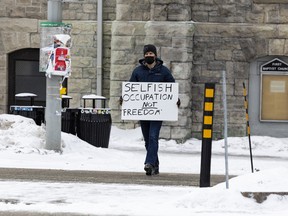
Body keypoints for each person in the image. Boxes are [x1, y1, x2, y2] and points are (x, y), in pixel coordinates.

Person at [125, 44, 180, 176]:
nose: (149, 55)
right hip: (143, 111)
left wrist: (175, 99)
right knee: (147, 140)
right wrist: (124, 98)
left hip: (157, 111)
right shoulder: (137, 71)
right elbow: (131, 87)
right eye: (147, 54)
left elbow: (171, 87)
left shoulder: (164, 71)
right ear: (144, 55)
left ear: (155, 55)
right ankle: (155, 165)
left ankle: (148, 163)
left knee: (153, 136)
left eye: (151, 53)